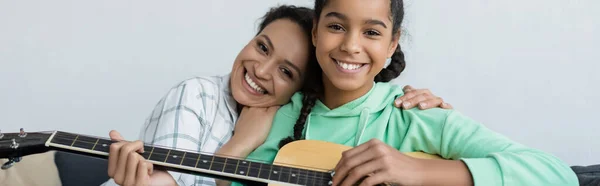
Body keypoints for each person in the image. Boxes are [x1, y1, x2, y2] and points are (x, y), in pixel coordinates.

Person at [102, 5, 452, 186]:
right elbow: (169, 179)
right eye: (262, 47)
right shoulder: (198, 95)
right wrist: (238, 148)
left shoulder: (292, 129)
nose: (261, 70)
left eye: (286, 71)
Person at [238, 0, 579, 186]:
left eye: (371, 32)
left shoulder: (414, 115)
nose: (351, 45)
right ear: (315, 33)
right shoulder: (282, 113)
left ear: (392, 43)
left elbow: (557, 176)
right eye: (336, 26)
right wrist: (233, 149)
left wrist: (415, 173)